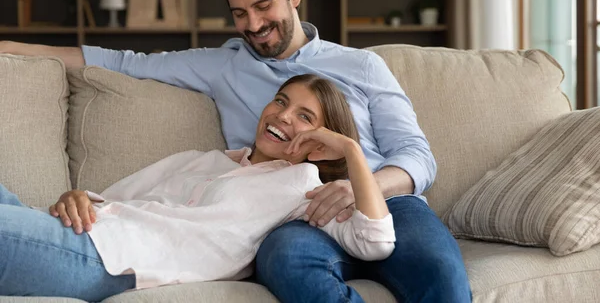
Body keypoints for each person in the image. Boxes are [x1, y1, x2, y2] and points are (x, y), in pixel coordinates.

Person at [0, 0, 471, 302]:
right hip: (294, 209)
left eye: (264, 7)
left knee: (441, 275)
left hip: (388, 200)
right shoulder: (223, 65)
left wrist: (359, 183)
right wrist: (11, 49)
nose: (253, 25)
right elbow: (121, 61)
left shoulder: (361, 66)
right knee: (285, 259)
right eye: (240, 13)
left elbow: (417, 155)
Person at [0, 74, 396, 301]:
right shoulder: (201, 159)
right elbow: (109, 196)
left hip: (106, 257)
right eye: (280, 101)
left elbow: (376, 242)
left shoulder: (302, 189)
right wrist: (77, 195)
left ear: (321, 142)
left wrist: (350, 151)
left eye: (304, 116)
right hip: (80, 227)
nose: (282, 115)